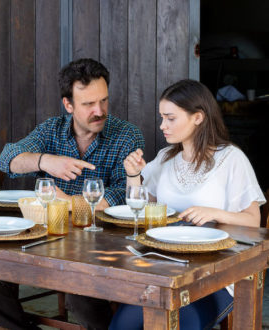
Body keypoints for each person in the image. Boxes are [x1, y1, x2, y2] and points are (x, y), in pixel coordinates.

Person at [0, 58, 145, 330]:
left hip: (98, 243)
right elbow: (7, 158)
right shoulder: (51, 130)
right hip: (47, 238)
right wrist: (46, 161)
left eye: (103, 101)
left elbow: (122, 196)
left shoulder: (126, 135)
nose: (99, 111)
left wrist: (67, 202)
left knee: (80, 294)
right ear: (68, 105)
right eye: (88, 104)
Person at [111, 79, 266, 329]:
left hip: (215, 274)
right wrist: (133, 175)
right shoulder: (165, 159)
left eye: (170, 118)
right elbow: (140, 209)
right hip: (163, 269)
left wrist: (214, 213)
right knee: (122, 326)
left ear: (198, 117)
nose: (163, 125)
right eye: (162, 117)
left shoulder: (231, 158)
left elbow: (253, 220)